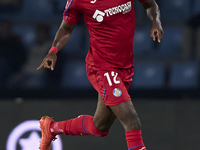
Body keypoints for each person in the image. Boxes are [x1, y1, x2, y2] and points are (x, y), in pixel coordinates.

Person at [37, 0, 164, 150]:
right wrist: (53, 51)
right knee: (131, 121)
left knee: (100, 127)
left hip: (125, 66)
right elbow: (65, 29)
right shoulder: (78, 1)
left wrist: (156, 22)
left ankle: (51, 128)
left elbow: (150, 5)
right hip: (103, 67)